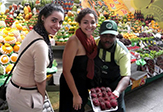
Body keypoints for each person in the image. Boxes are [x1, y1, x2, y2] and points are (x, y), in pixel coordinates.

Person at [6, 3, 64, 112]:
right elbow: (40, 78)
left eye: (60, 22)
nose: (58, 26)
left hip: (15, 90)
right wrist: (42, 97)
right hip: (25, 96)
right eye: (54, 20)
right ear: (43, 18)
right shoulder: (41, 45)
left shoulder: (34, 32)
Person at [59, 8, 98, 112]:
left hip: (82, 84)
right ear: (79, 23)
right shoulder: (74, 41)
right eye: (85, 22)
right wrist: (75, 95)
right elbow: (66, 71)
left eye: (92, 22)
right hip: (71, 86)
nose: (89, 26)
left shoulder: (90, 39)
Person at [94, 20, 131, 112]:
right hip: (98, 85)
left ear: (116, 36)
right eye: (105, 36)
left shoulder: (122, 52)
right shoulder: (93, 44)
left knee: (118, 108)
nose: (108, 39)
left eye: (111, 36)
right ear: (100, 35)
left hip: (115, 85)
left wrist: (117, 92)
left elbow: (126, 77)